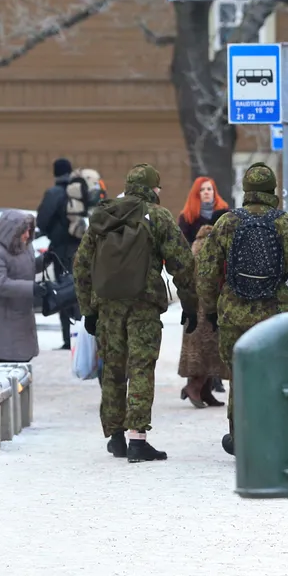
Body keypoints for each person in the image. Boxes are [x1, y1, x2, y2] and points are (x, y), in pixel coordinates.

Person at [73, 163, 195, 463]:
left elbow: (81, 265)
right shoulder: (159, 217)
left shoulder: (103, 215)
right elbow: (182, 262)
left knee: (113, 368)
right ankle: (138, 440)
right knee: (140, 366)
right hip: (143, 303)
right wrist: (191, 302)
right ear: (153, 188)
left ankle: (115, 437)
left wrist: (88, 308)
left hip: (107, 305)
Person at [197, 162, 288, 456]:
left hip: (234, 313)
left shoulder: (227, 223)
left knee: (239, 374)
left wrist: (208, 309)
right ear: (272, 191)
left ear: (246, 191)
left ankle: (240, 438)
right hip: (276, 317)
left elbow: (206, 271)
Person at [0, 210, 41, 363]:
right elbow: (0, 283)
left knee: (23, 362)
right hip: (3, 317)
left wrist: (46, 260)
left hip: (21, 313)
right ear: (11, 232)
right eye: (23, 231)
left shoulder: (25, 247)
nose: (27, 235)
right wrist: (32, 288)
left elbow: (27, 268)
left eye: (29, 230)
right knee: (9, 363)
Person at [179, 224, 225, 408]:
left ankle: (204, 390)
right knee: (207, 349)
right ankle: (194, 386)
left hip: (196, 303)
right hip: (206, 304)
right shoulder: (210, 248)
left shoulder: (195, 247)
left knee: (202, 349)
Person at [37, 158, 81, 349]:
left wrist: (51, 234)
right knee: (81, 290)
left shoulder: (54, 193)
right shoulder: (81, 193)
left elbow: (42, 221)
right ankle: (82, 336)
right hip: (82, 248)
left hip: (62, 250)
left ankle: (67, 339)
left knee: (63, 290)